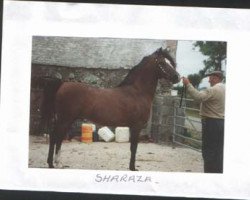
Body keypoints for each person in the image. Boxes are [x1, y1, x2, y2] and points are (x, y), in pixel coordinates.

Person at [182, 71, 225, 173]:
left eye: (210, 78)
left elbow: (198, 97)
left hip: (211, 122)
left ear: (216, 78)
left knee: (208, 151)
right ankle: (217, 173)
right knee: (218, 151)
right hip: (221, 122)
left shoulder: (214, 89)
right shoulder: (224, 88)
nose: (209, 80)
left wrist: (188, 84)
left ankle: (209, 173)